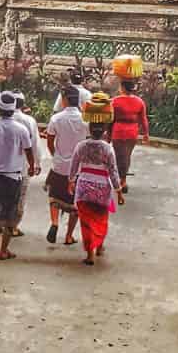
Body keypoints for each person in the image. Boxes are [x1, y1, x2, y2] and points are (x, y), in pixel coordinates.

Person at [0, 91, 36, 259]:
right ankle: (4, 250)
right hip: (14, 177)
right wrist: (32, 166)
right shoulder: (21, 129)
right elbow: (29, 151)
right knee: (10, 213)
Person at [69, 114, 123, 266]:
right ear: (105, 130)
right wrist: (118, 191)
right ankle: (99, 246)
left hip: (84, 185)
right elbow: (113, 171)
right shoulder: (108, 149)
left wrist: (71, 181)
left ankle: (90, 254)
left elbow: (73, 166)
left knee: (86, 221)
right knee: (100, 218)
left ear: (90, 129)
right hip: (102, 187)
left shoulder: (81, 146)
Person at [45, 85, 88, 245]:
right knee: (75, 203)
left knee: (54, 196)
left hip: (59, 165)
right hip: (78, 168)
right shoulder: (85, 119)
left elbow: (49, 140)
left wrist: (55, 155)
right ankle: (69, 236)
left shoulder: (56, 119)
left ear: (65, 99)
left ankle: (55, 222)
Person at [11, 91, 42, 236]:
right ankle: (14, 226)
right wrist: (36, 163)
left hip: (1, 168)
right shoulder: (29, 121)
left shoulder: (0, 121)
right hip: (22, 166)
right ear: (23, 104)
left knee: (3, 197)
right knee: (19, 197)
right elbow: (35, 144)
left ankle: (0, 224)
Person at [110, 80, 150, 193]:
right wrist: (146, 133)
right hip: (132, 132)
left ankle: (121, 181)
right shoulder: (139, 101)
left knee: (119, 156)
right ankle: (122, 180)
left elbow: (110, 120)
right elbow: (143, 119)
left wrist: (107, 135)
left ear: (122, 87)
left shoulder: (114, 101)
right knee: (126, 155)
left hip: (118, 131)